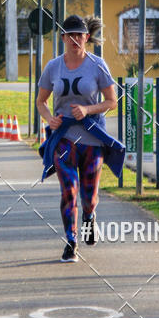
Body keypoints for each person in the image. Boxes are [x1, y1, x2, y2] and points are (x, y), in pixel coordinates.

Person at [36, 15, 120, 262]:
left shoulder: (97, 65)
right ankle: (71, 241)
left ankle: (89, 216)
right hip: (64, 139)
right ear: (62, 38)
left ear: (87, 37)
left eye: (79, 35)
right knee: (68, 191)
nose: (75, 39)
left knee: (89, 196)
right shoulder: (53, 66)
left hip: (93, 139)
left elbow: (112, 102)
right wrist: (49, 118)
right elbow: (40, 101)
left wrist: (87, 110)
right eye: (69, 35)